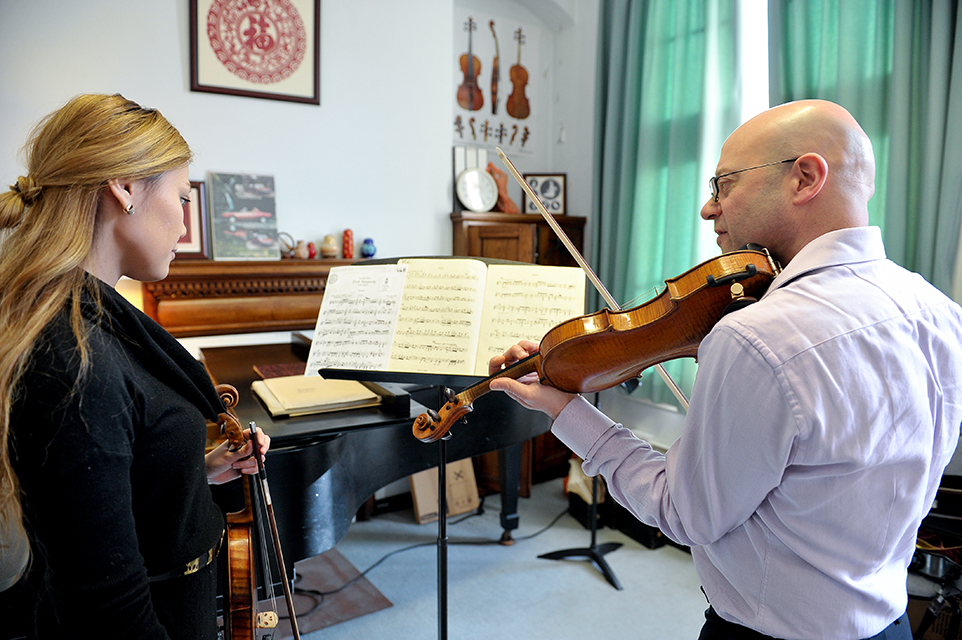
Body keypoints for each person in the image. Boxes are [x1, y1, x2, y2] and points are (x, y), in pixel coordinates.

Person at [489, 100, 962, 639]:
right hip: (891, 625)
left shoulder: (756, 337)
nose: (708, 209)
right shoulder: (941, 312)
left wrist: (567, 412)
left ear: (805, 177)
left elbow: (685, 513)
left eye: (723, 185)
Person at [0, 94, 270, 639]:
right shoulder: (72, 359)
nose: (184, 219)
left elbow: (104, 481)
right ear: (123, 188)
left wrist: (192, 468)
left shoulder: (82, 316)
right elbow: (108, 611)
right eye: (181, 196)